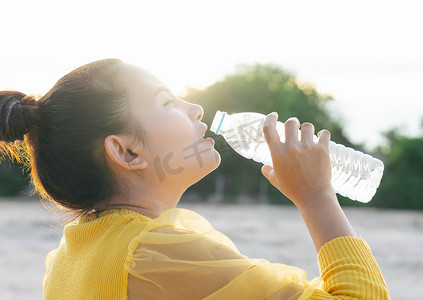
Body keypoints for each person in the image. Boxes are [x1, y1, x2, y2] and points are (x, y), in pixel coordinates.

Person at [0, 59, 390, 299]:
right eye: (167, 102)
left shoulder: (71, 258)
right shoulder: (154, 255)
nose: (196, 108)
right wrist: (317, 196)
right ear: (126, 152)